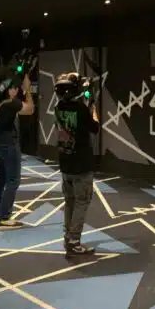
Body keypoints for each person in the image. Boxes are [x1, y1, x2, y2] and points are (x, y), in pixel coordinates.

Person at [54, 73, 100, 258]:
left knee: (70, 201)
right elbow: (95, 128)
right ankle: (74, 240)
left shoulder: (58, 107)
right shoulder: (81, 109)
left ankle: (68, 236)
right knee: (82, 202)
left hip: (65, 162)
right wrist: (93, 109)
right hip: (81, 164)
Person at [0, 74, 34, 227]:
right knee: (13, 180)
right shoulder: (10, 103)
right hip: (9, 144)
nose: (16, 91)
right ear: (8, 90)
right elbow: (30, 109)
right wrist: (27, 90)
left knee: (1, 178)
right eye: (14, 88)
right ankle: (4, 216)